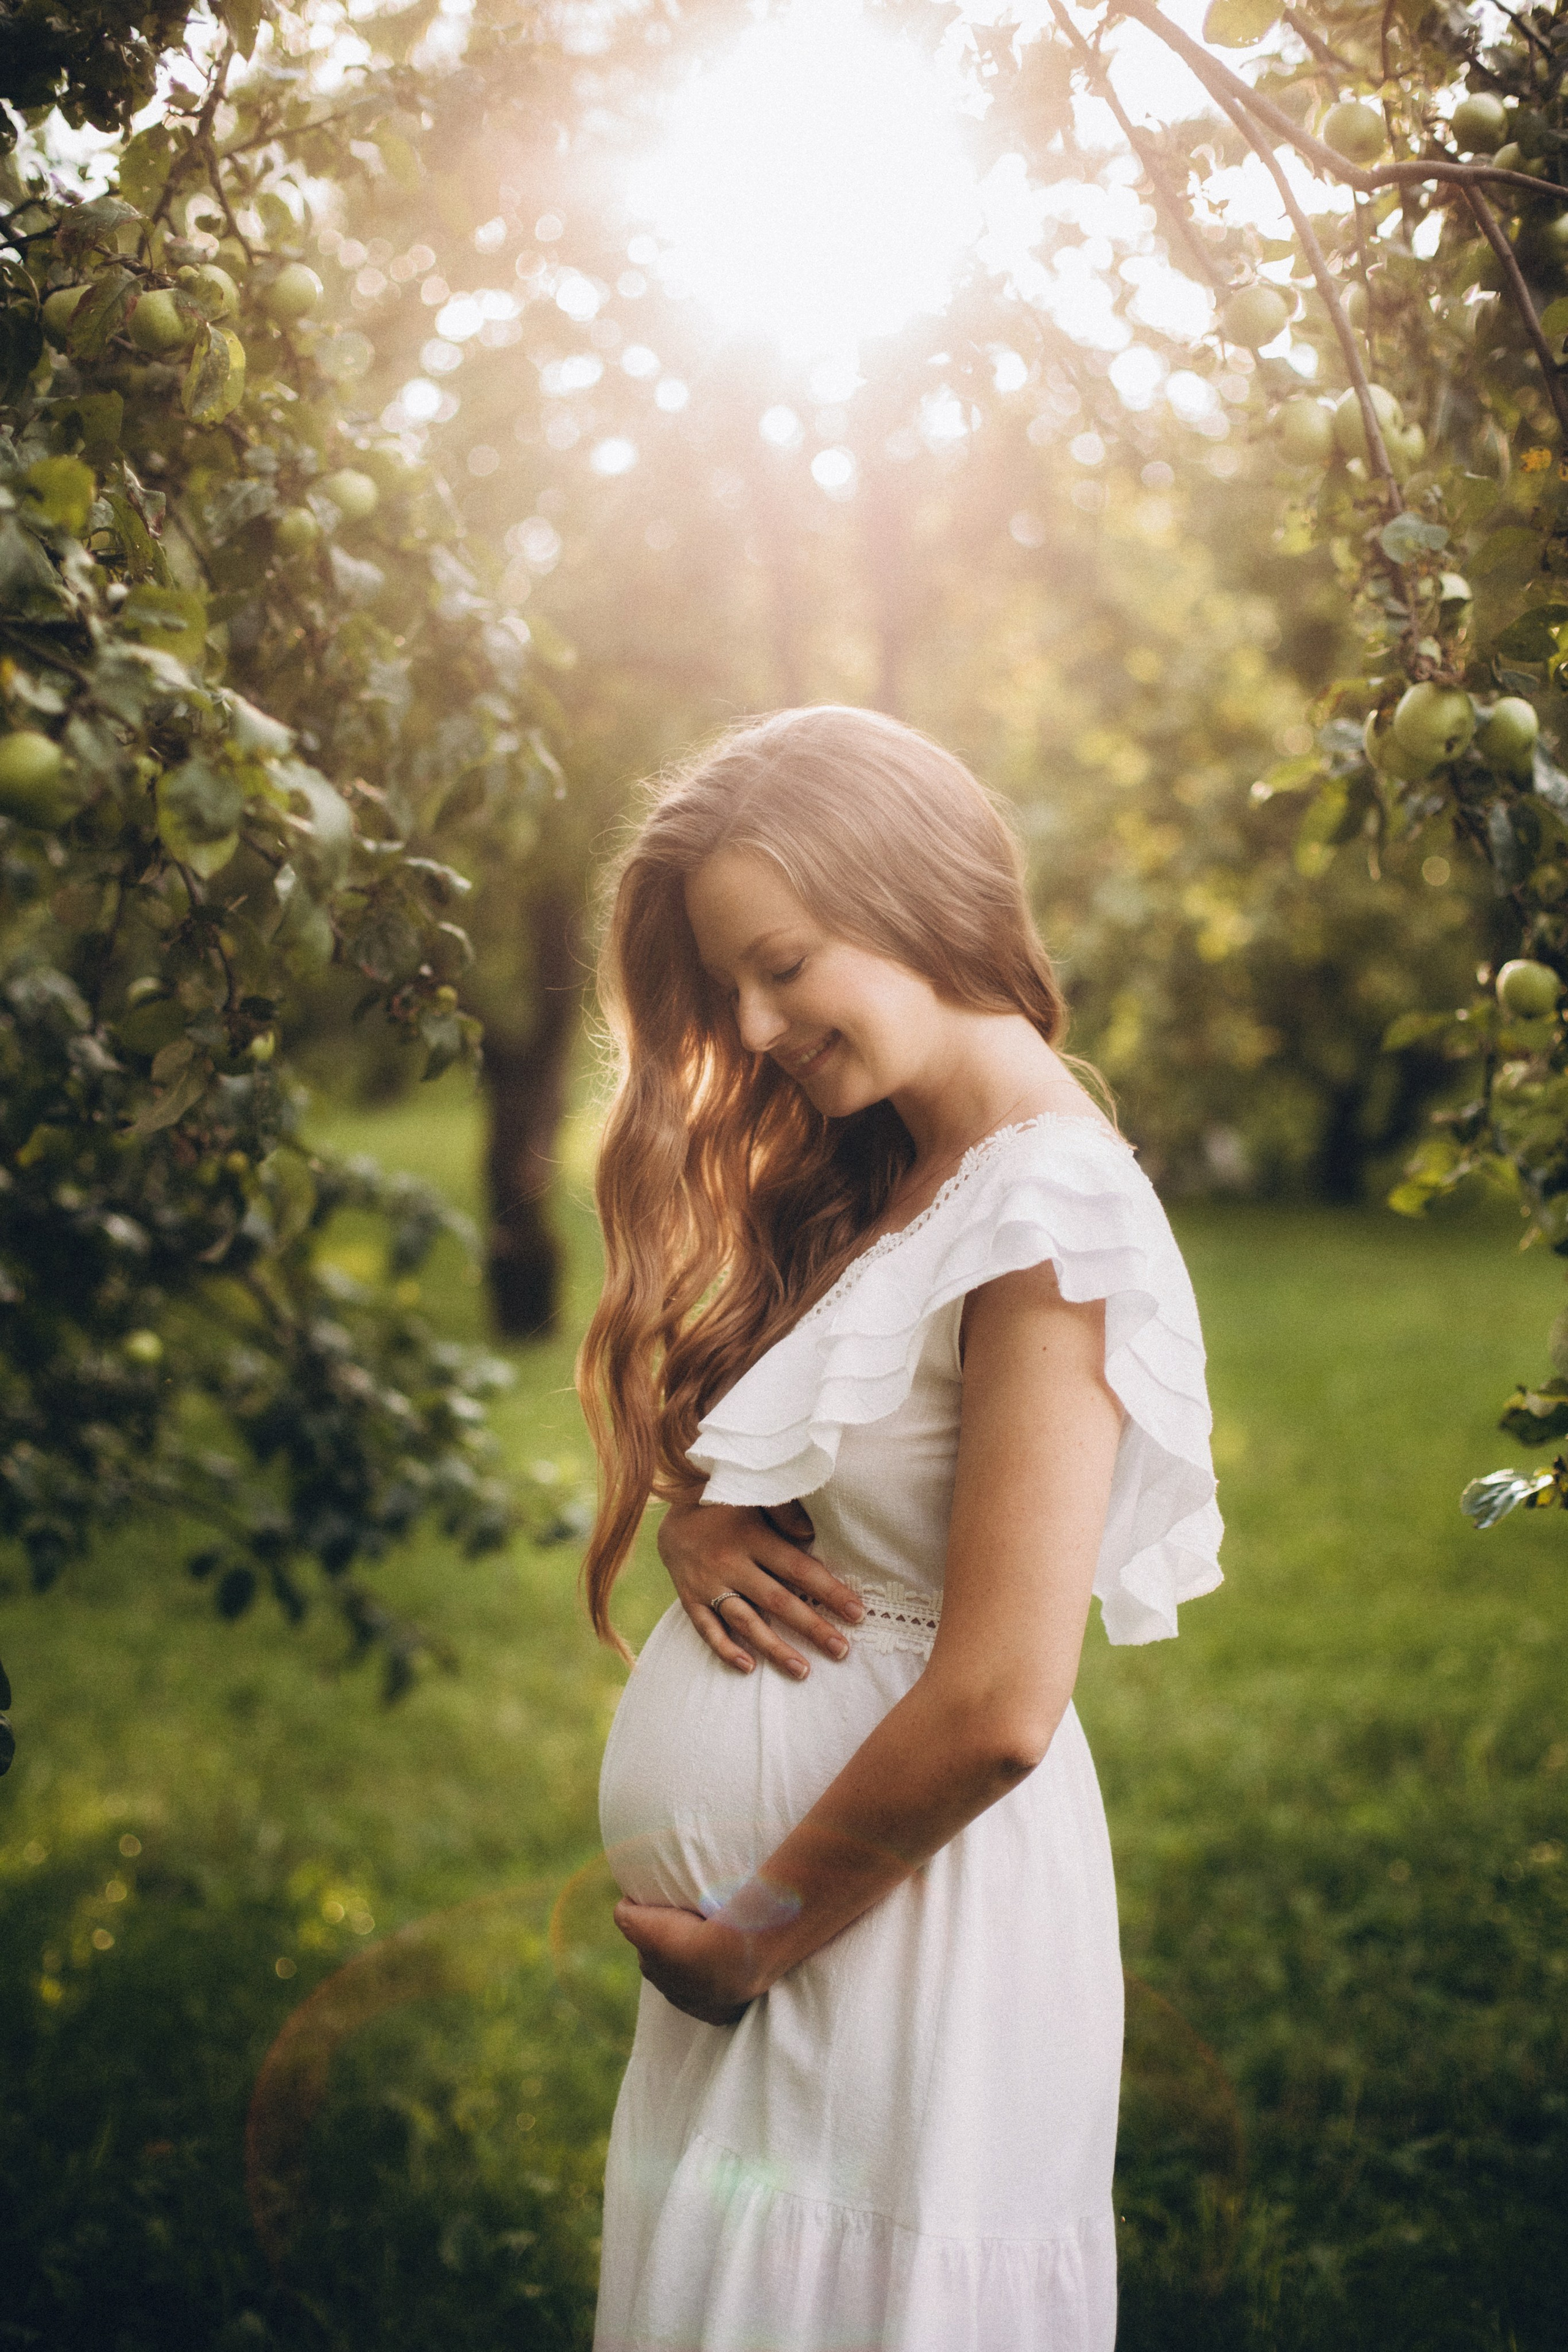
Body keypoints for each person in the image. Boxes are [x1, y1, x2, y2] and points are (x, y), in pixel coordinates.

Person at [577, 706, 1223, 2352]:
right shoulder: (907, 1173)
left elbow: (1004, 1697)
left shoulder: (1047, 1208)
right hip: (809, 1940)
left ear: (918, 892)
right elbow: (856, 1483)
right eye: (731, 984)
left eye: (783, 965)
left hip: (889, 1929)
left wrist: (751, 1938)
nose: (754, 1023)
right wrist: (706, 1523)